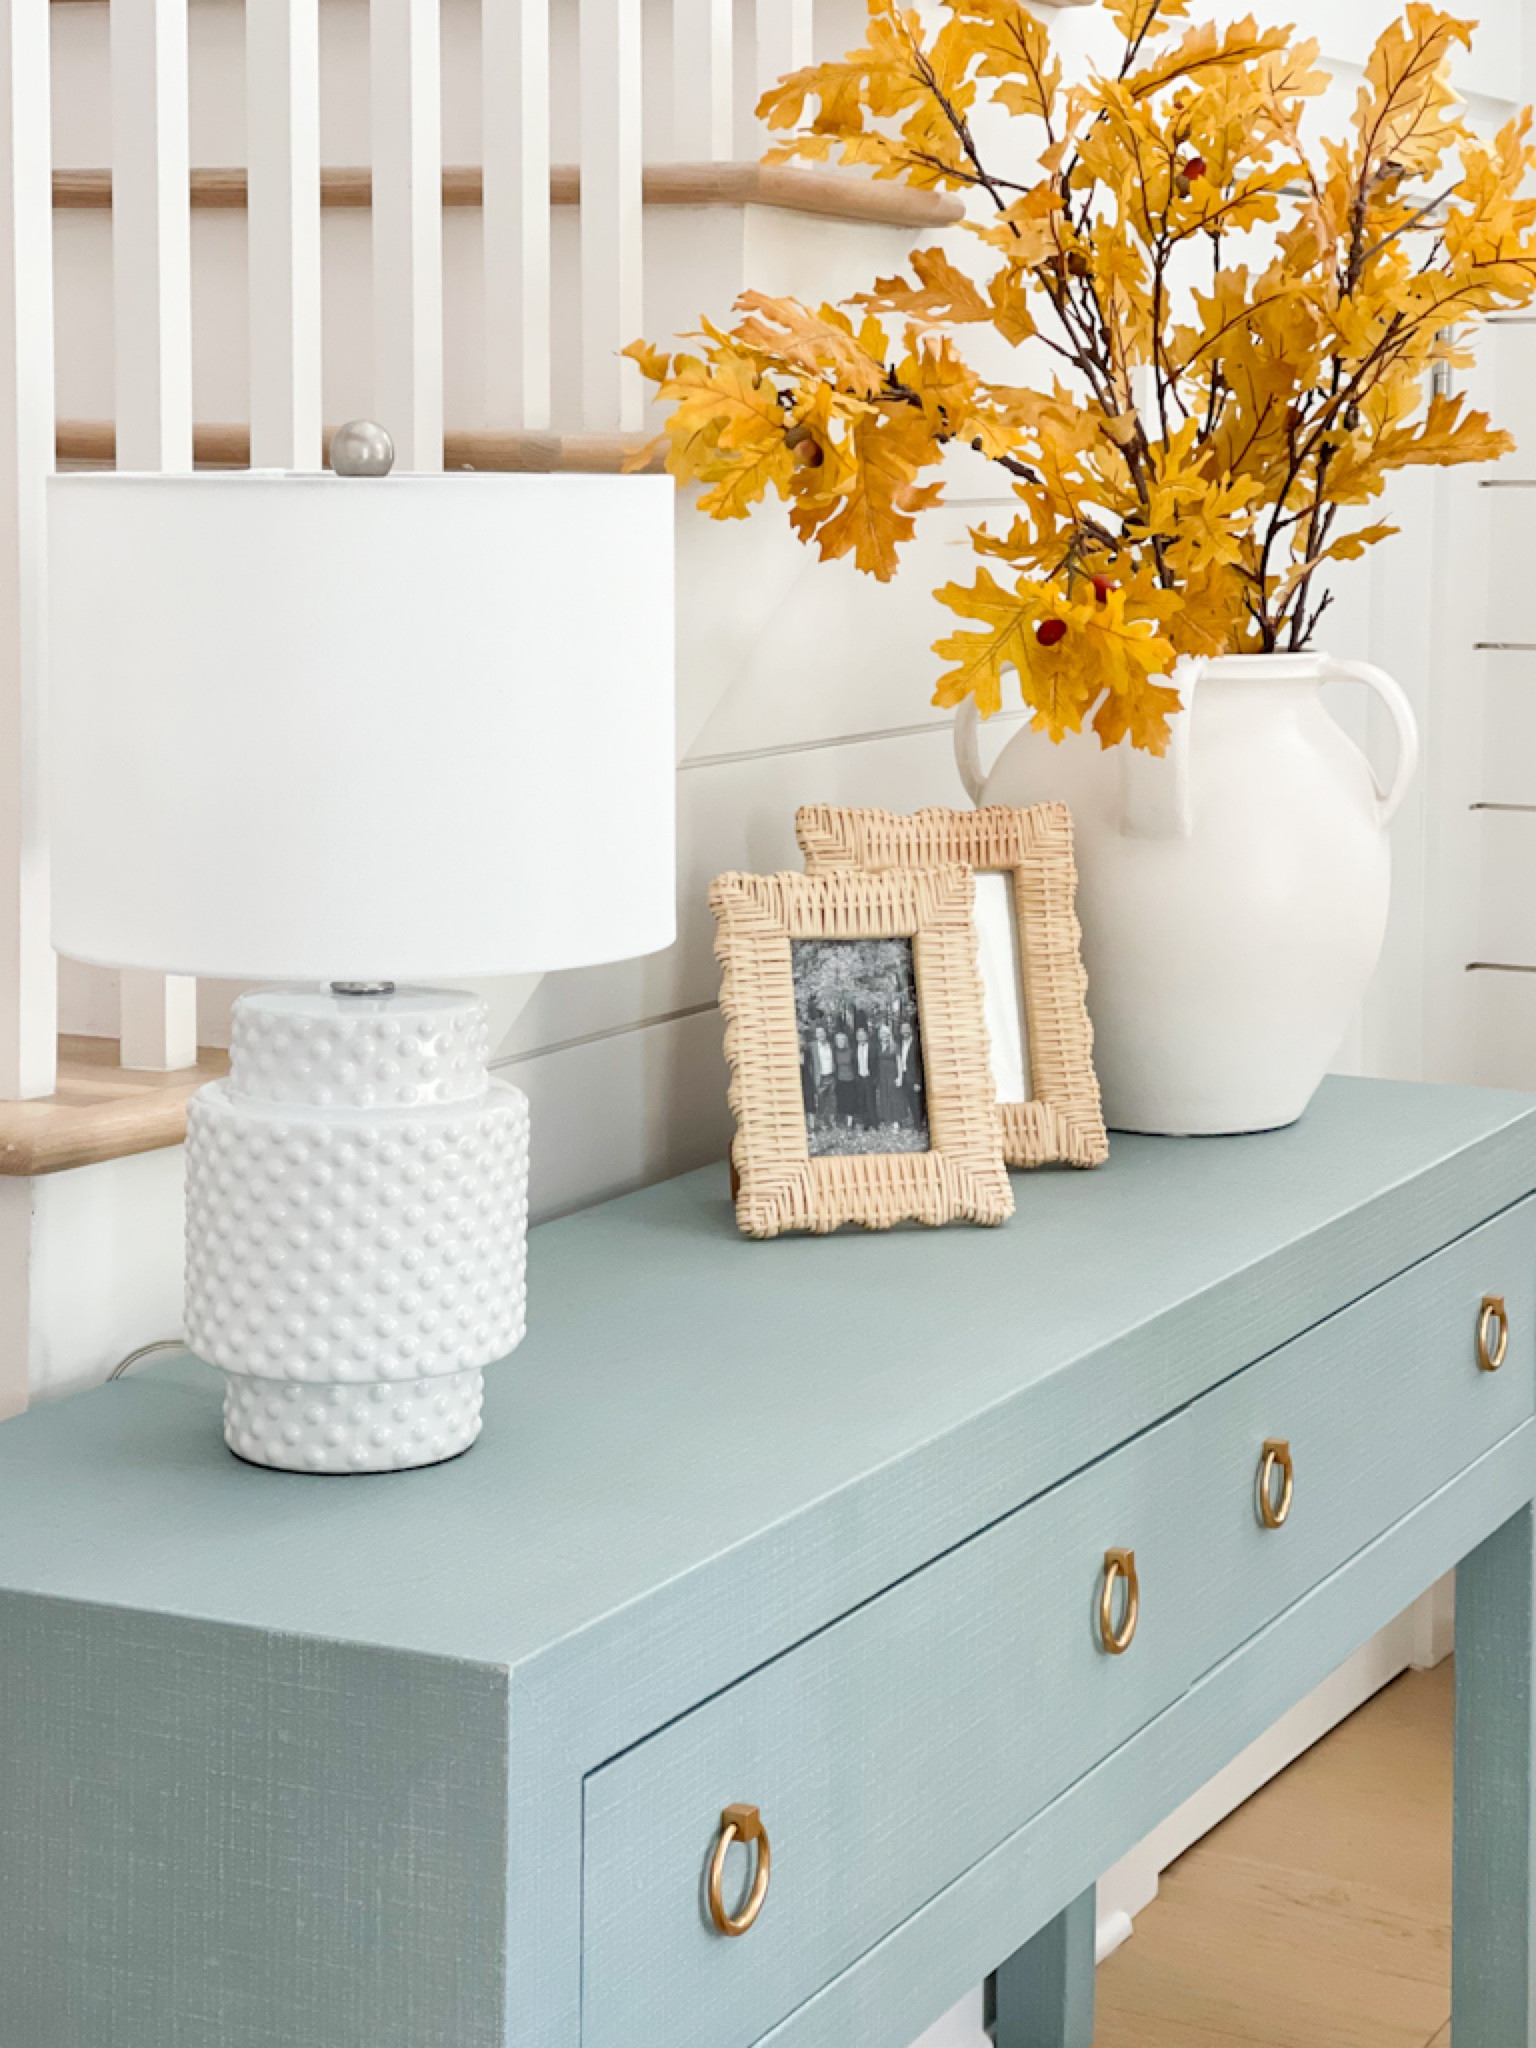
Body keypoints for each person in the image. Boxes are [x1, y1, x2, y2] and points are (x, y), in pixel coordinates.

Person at [874, 1022, 901, 1127]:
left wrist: (899, 1077)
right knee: (884, 1096)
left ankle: (896, 1121)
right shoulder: (879, 1046)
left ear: (889, 1035)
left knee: (894, 1097)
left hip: (892, 1075)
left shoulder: (894, 1046)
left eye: (885, 1034)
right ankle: (888, 1118)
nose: (883, 1036)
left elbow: (899, 1062)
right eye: (882, 1034)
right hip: (882, 1076)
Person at [810, 1024, 837, 1127]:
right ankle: (822, 1122)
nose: (821, 1035)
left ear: (826, 1033)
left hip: (831, 1076)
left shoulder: (830, 1045)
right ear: (815, 1035)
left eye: (822, 1032)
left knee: (832, 1101)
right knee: (821, 1101)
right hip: (820, 1078)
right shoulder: (812, 1046)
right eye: (818, 1033)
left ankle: (831, 1120)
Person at [834, 1029, 857, 1124]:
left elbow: (855, 1064)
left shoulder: (851, 1051)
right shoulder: (835, 1052)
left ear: (846, 1041)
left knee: (850, 1101)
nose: (841, 1042)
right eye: (838, 1041)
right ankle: (842, 1119)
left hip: (850, 1079)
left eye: (842, 1040)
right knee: (842, 1100)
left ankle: (850, 1122)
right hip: (839, 1080)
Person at [853, 1026, 875, 1126]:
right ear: (857, 1037)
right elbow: (853, 1064)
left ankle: (874, 1123)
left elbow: (876, 1064)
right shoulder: (854, 1048)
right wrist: (856, 1077)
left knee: (871, 1101)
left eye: (862, 1035)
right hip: (859, 1078)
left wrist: (875, 1078)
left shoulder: (872, 1047)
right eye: (859, 1035)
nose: (861, 1037)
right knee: (862, 1101)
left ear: (866, 1036)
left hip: (869, 1077)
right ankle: (866, 1123)